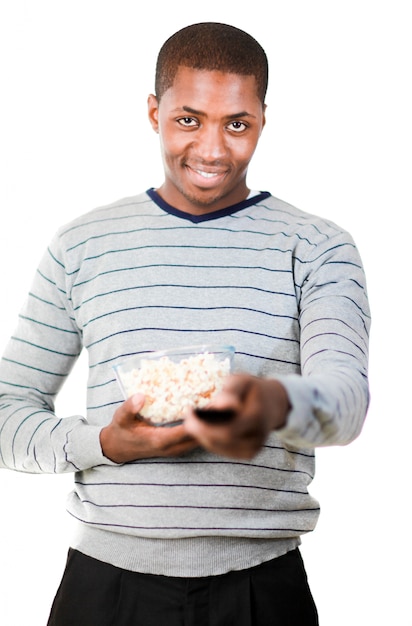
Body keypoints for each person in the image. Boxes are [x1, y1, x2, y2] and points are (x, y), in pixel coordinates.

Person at [0, 22, 370, 626]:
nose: (213, 151)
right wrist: (104, 445)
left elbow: (348, 404)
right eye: (189, 120)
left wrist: (265, 404)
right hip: (104, 592)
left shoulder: (318, 246)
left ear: (263, 119)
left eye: (238, 124)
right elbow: (6, 409)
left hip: (260, 590)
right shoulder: (83, 244)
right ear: (154, 111)